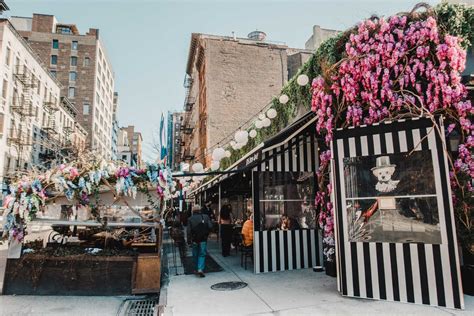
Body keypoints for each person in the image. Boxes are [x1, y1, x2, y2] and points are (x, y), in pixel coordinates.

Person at [187, 205, 213, 277]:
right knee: (202, 253)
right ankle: (200, 269)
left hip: (194, 239)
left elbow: (188, 231)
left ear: (193, 211)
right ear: (200, 210)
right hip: (203, 239)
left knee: (195, 254)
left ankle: (196, 269)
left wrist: (189, 241)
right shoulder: (205, 217)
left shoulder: (190, 219)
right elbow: (210, 226)